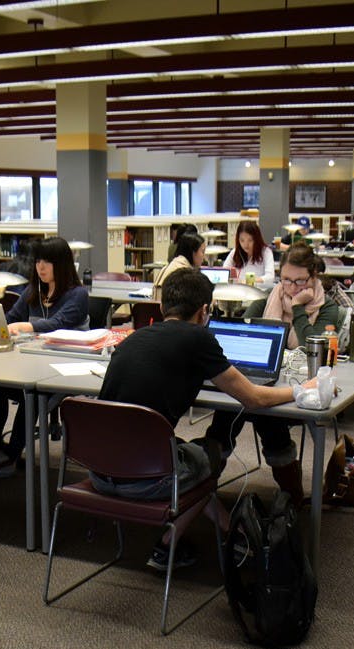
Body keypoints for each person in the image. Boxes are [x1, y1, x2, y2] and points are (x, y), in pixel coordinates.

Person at [97, 268, 315, 570]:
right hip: (146, 479)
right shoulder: (199, 338)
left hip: (101, 470)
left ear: (162, 307)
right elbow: (254, 398)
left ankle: (237, 537)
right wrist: (301, 389)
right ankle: (187, 544)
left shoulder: (132, 339)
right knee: (207, 455)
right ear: (204, 311)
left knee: (192, 458)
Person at [205, 242, 340, 506]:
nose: (291, 288)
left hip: (304, 387)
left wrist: (299, 309)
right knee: (244, 402)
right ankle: (291, 491)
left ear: (314, 277)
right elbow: (245, 328)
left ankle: (204, 485)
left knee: (257, 409)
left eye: (300, 281)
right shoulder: (269, 298)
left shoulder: (328, 308)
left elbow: (312, 344)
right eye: (286, 280)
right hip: (269, 383)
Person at [0, 237, 89, 480]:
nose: (40, 267)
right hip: (30, 362)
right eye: (38, 261)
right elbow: (10, 317)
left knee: (29, 394)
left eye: (47, 262)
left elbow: (57, 323)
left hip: (63, 369)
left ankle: (11, 455)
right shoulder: (34, 291)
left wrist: (24, 326)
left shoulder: (78, 294)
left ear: (61, 264)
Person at [152, 231, 206, 301]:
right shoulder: (185, 274)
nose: (204, 257)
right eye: (203, 251)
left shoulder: (169, 266)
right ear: (193, 252)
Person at [222, 218, 274, 285]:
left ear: (257, 239)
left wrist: (248, 281)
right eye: (242, 240)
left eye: (250, 240)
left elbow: (270, 277)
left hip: (259, 292)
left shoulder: (266, 252)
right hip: (238, 291)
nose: (246, 245)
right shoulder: (235, 252)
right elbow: (224, 271)